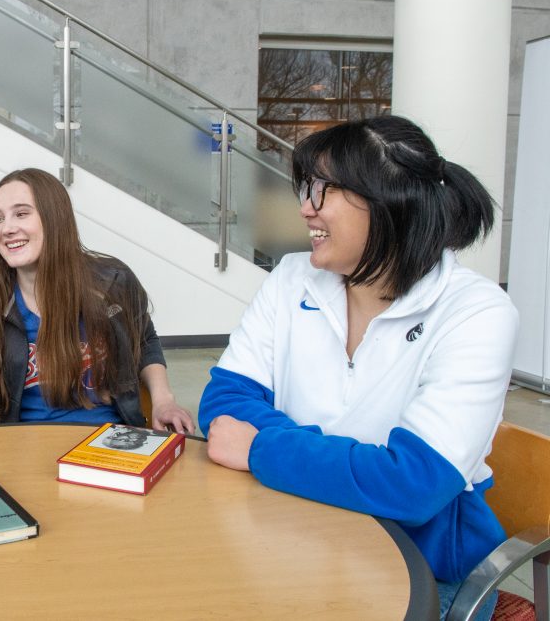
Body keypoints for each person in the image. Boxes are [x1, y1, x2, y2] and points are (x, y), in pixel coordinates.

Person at [198, 115, 518, 621]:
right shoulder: (290, 279)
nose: (305, 208)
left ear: (388, 200)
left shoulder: (476, 313)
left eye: (323, 190)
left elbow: (414, 485)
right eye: (306, 188)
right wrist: (348, 470)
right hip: (291, 530)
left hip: (424, 570)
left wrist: (260, 448)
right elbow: (224, 403)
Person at [0, 168, 194, 433]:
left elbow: (144, 343)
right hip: (19, 449)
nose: (6, 228)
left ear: (54, 218)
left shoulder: (113, 282)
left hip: (110, 444)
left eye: (21, 214)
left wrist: (163, 400)